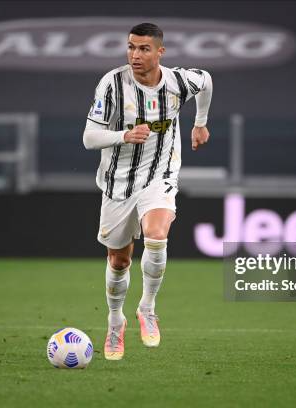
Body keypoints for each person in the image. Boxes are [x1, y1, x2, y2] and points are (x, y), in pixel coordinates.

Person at [83, 22, 213, 360]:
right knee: (119, 259)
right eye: (130, 47)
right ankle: (115, 322)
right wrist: (123, 136)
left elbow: (206, 81)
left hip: (160, 174)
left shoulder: (177, 82)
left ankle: (148, 308)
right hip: (118, 183)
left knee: (156, 234)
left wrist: (200, 123)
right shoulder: (112, 84)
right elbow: (89, 138)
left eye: (143, 49)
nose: (135, 55)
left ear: (160, 52)